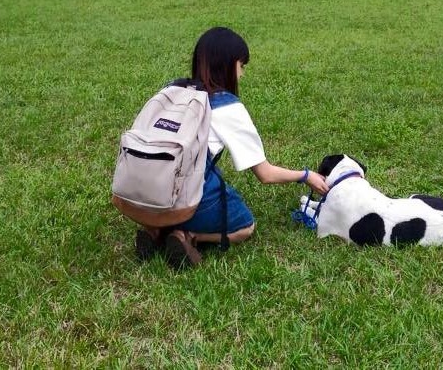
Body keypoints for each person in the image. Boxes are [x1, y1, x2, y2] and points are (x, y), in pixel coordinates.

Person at [135, 27, 329, 269]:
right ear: (227, 65)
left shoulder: (171, 89)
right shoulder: (226, 107)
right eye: (241, 65)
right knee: (245, 226)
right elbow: (265, 174)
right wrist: (306, 176)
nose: (242, 74)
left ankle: (154, 228)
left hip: (142, 193)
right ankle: (186, 235)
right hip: (183, 195)